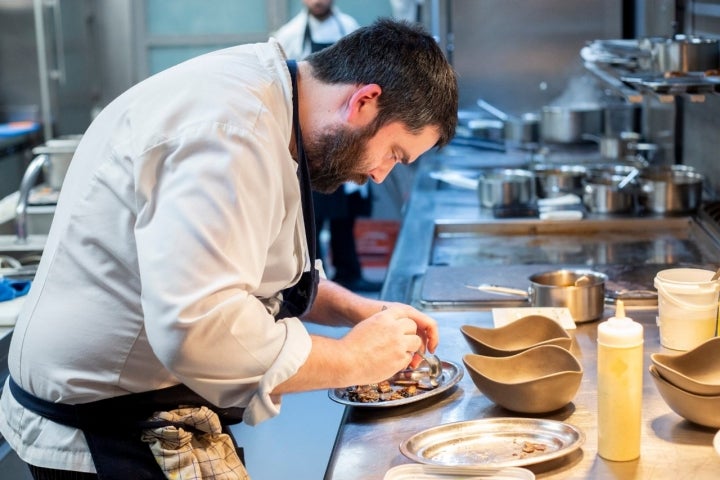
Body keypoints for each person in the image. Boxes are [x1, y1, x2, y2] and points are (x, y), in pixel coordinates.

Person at [0, 18, 458, 479]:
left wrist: (361, 311)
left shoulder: (275, 100)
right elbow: (201, 329)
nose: (380, 175)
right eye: (394, 154)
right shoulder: (231, 130)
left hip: (140, 407)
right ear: (363, 102)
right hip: (107, 429)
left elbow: (261, 273)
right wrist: (354, 359)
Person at [274, 0, 382, 292]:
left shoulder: (350, 30)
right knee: (311, 216)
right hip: (309, 138)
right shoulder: (288, 36)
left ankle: (349, 272)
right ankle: (310, 283)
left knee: (345, 215)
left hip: (348, 134)